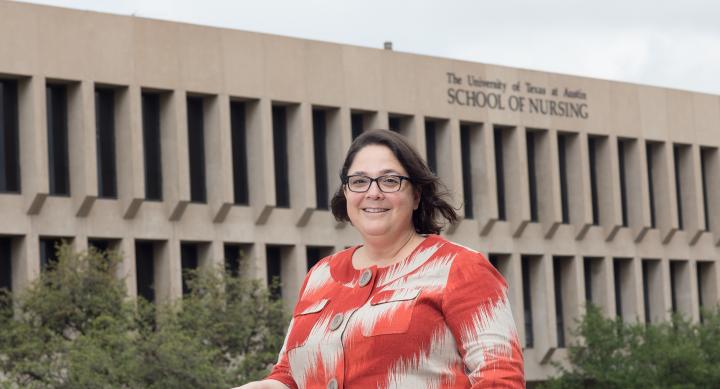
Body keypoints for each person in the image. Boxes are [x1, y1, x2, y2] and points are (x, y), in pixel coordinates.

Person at [235, 129, 524, 389]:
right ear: (346, 193)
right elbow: (290, 374)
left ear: (416, 196)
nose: (373, 193)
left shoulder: (460, 268)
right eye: (359, 181)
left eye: (389, 180)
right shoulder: (320, 275)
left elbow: (499, 379)